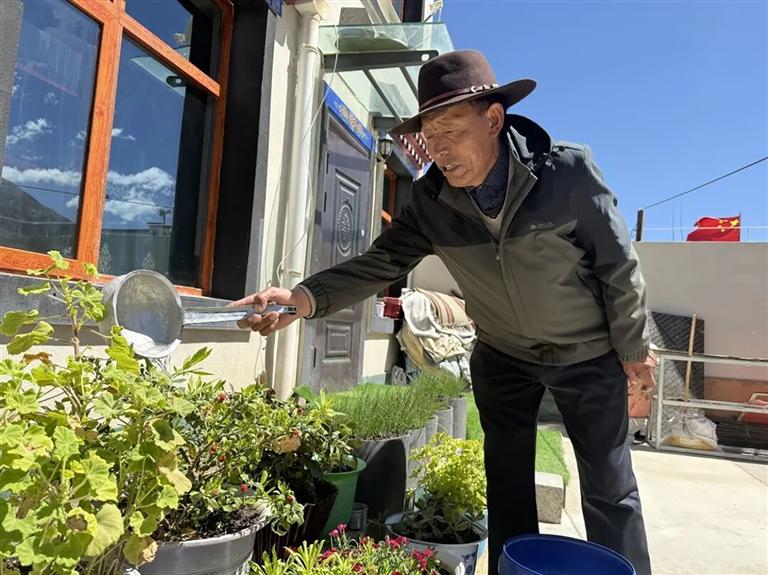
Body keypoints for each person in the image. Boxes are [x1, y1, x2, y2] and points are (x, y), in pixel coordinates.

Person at [233, 49, 655, 575]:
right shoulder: (431, 201)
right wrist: (301, 298)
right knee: (507, 483)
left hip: (587, 354)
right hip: (504, 356)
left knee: (611, 489)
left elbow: (618, 265)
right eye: (430, 136)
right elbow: (381, 262)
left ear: (494, 119)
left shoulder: (567, 174)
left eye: (451, 131)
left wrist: (633, 349)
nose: (439, 150)